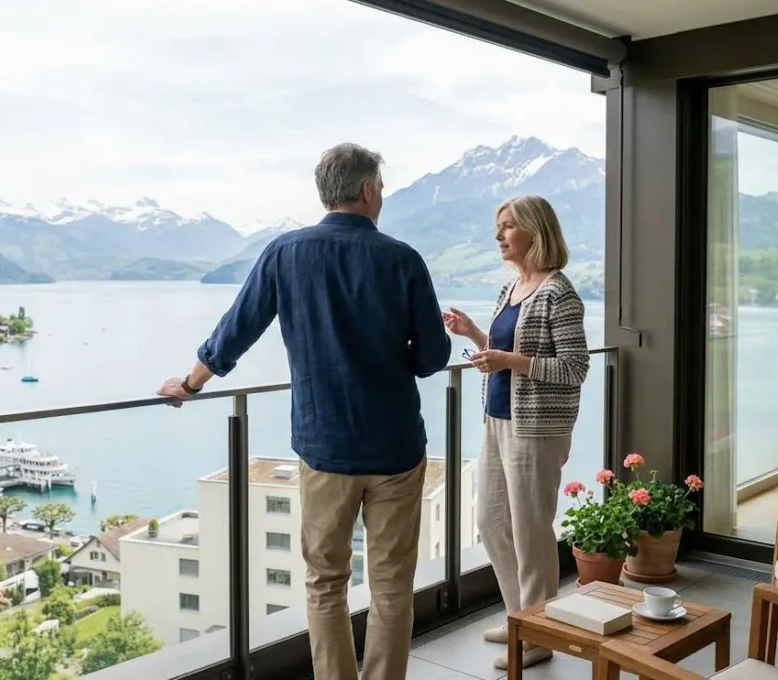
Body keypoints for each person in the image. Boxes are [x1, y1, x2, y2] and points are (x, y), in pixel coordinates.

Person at [157, 143, 451, 680]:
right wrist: (397, 354)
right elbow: (434, 357)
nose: (381, 197)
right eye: (381, 188)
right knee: (390, 585)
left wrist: (192, 383)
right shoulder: (402, 259)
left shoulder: (284, 253)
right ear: (366, 191)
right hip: (396, 447)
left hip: (325, 447)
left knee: (325, 582)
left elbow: (236, 329)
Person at [441, 195, 588, 671]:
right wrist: (476, 337)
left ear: (535, 230)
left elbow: (575, 368)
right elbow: (505, 351)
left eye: (508, 227)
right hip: (498, 421)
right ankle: (519, 618)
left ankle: (540, 634)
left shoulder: (559, 293)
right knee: (492, 522)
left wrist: (511, 361)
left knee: (530, 532)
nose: (499, 235)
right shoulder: (512, 288)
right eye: (497, 228)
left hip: (537, 430)